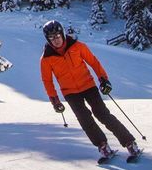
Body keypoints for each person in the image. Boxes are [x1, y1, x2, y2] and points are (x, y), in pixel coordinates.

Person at [39, 19, 139, 160]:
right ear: (47, 39)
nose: (55, 40)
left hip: (88, 86)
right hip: (70, 93)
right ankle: (102, 146)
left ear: (62, 34)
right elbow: (47, 81)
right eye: (51, 38)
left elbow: (93, 62)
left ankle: (129, 142)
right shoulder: (46, 59)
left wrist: (103, 79)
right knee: (85, 120)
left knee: (102, 114)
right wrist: (54, 100)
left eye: (57, 36)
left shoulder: (78, 46)